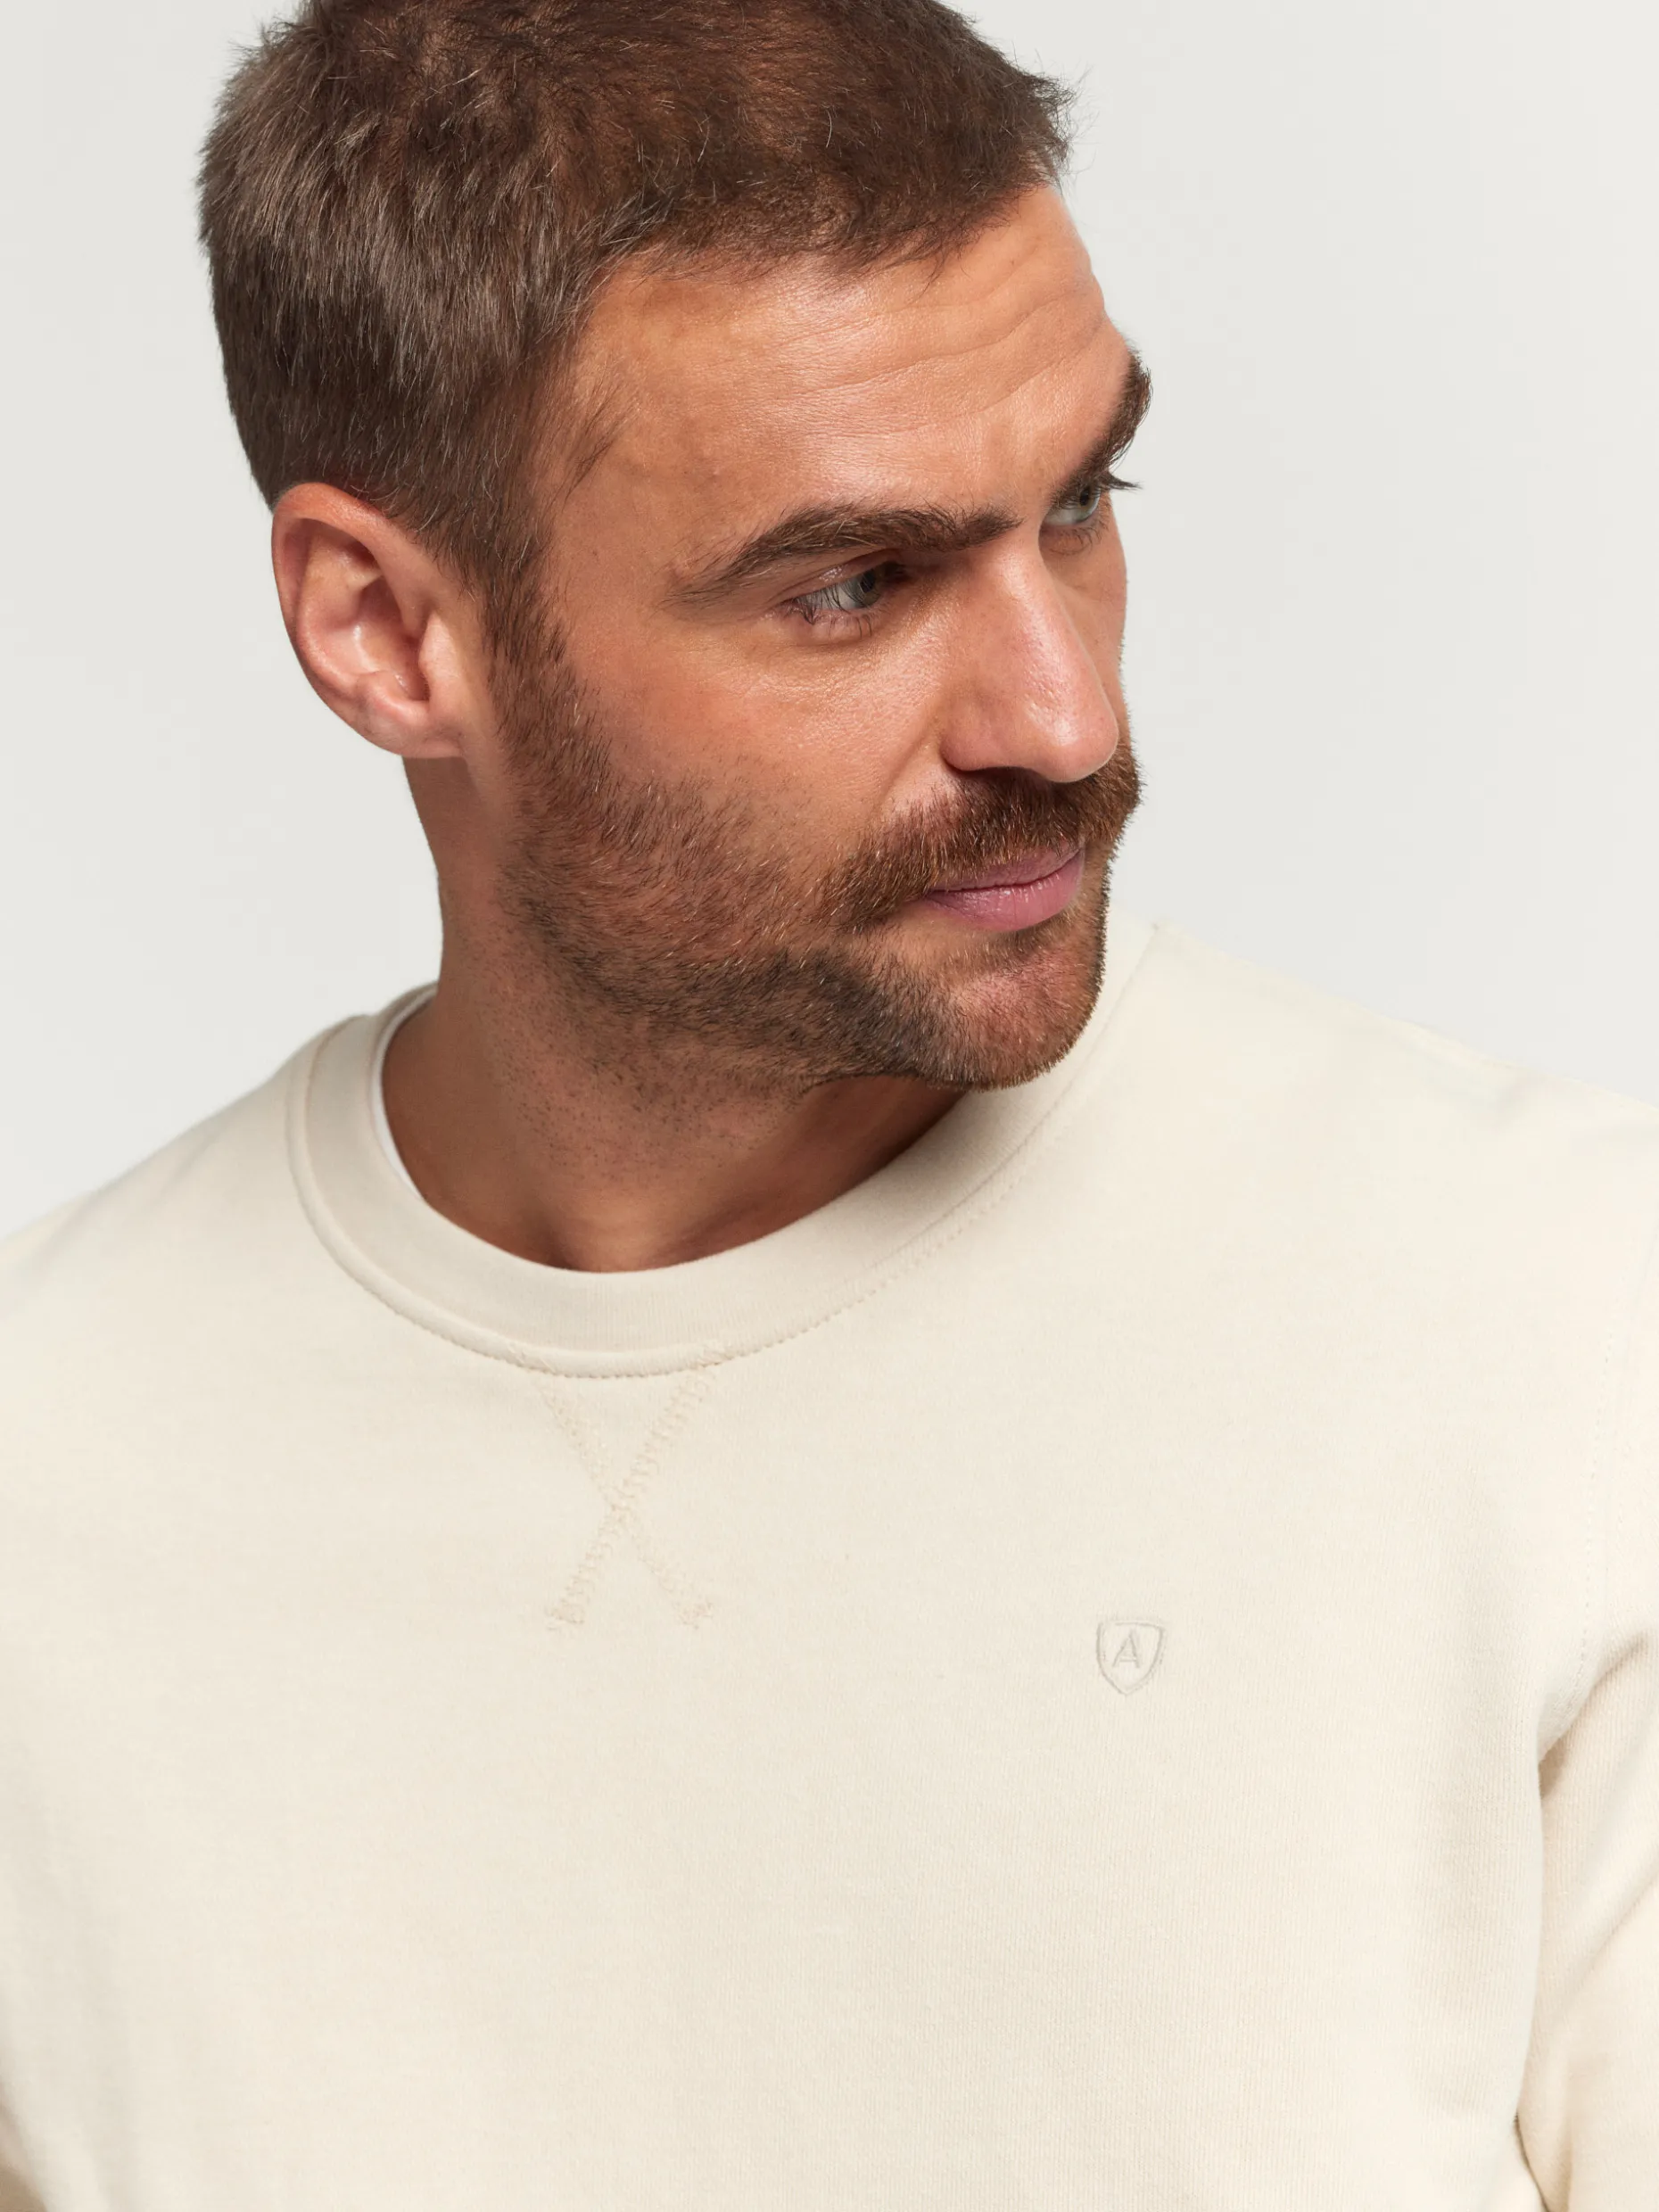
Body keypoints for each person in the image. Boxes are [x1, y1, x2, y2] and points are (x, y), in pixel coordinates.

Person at [0, 0, 1653, 2203]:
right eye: (854, 585)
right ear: (386, 631)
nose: (1065, 715)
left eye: (1081, 503)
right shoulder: (48, 1490)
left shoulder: (1564, 1327)